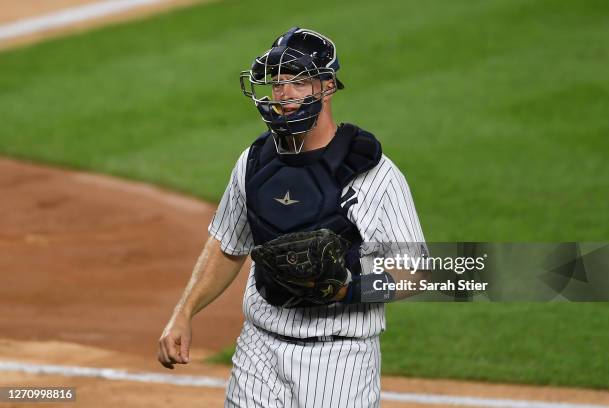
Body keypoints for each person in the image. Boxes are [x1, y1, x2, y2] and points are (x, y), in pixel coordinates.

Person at [158, 27, 427, 407]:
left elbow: (414, 273)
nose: (282, 94)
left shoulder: (375, 174)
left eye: (297, 81)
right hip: (259, 350)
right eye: (277, 82)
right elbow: (227, 245)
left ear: (327, 86)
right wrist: (183, 313)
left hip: (340, 360)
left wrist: (347, 289)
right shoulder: (254, 162)